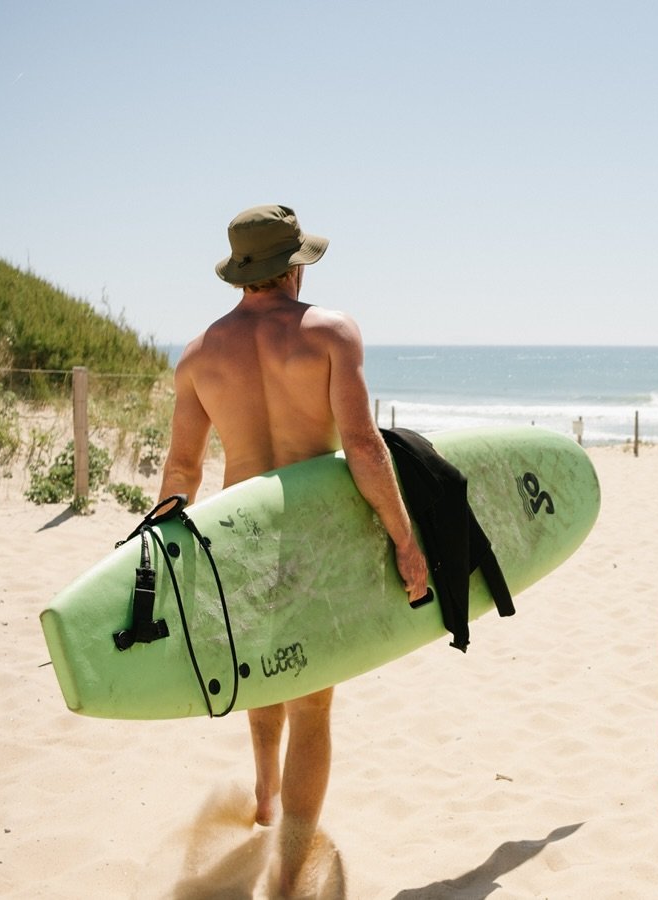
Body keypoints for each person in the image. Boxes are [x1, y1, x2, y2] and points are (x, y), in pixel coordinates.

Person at [158, 204, 429, 894]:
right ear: (293, 267)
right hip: (312, 536)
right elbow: (364, 448)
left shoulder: (197, 355)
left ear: (241, 274)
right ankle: (290, 864)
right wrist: (404, 538)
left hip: (236, 538)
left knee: (264, 677)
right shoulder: (331, 333)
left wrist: (164, 563)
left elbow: (181, 474)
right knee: (313, 705)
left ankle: (266, 798)